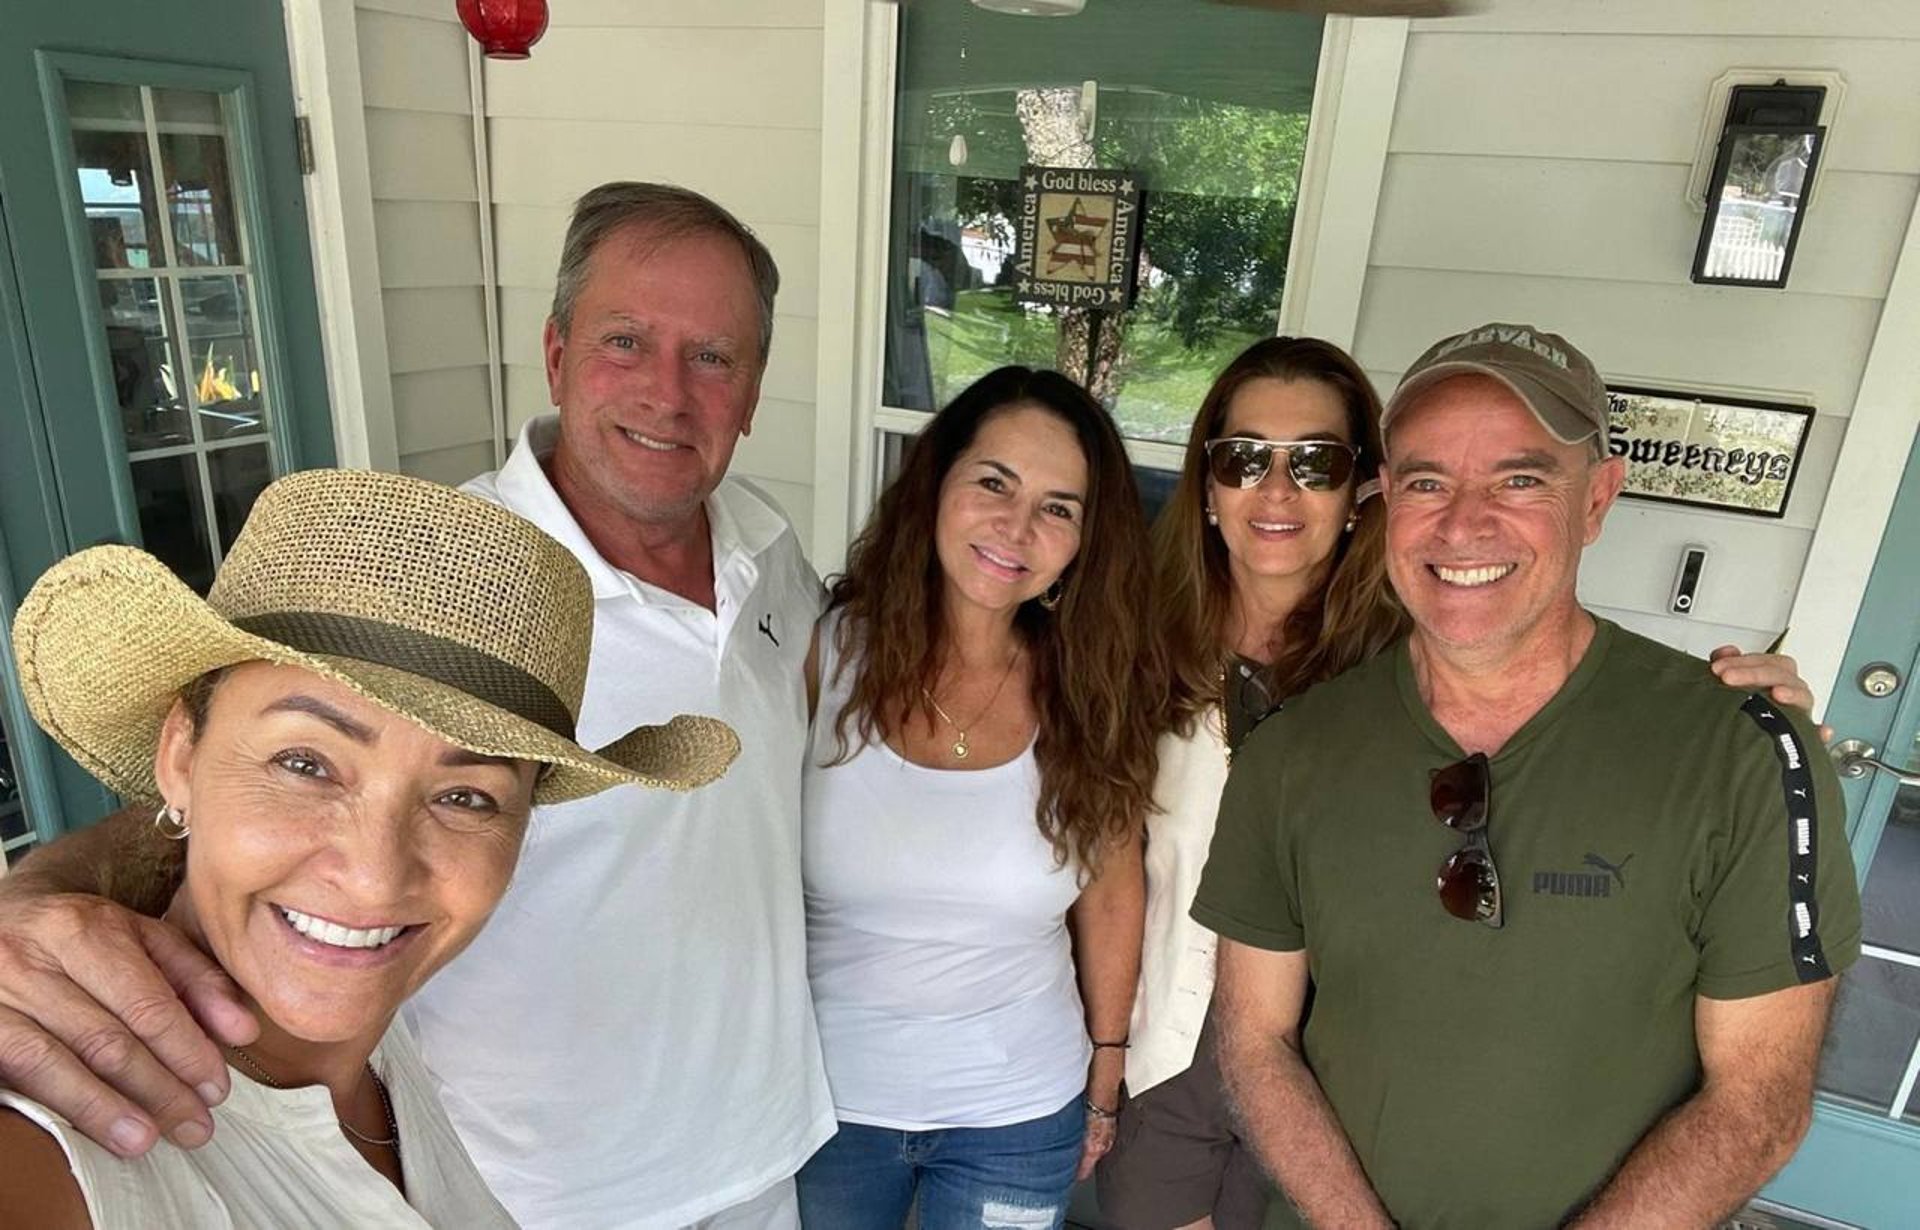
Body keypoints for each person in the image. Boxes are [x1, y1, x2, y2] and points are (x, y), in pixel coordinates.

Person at [0, 182, 832, 1229]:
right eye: (626, 339)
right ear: (559, 354)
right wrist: (37, 901)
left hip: (757, 1141)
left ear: (752, 393)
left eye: (714, 356)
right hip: (540, 1181)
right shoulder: (448, 590)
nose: (669, 391)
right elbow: (230, 788)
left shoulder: (770, 552)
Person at [1093, 335, 1823, 1230]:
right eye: (1432, 481)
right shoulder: (1155, 663)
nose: (1464, 521)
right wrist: (1103, 1055)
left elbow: (1759, 1100)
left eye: (1520, 480)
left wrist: (1762, 737)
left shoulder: (1722, 745)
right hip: (1188, 1053)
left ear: (1597, 498)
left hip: (1327, 1105)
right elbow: (1112, 879)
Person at [0, 468, 738, 1228]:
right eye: (305, 764)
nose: (375, 880)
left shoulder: (377, 1048)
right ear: (180, 759)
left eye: (465, 797)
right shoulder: (57, 1148)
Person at [794, 366, 1159, 1229]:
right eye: (994, 481)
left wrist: (1105, 1074)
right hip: (823, 1108)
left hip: (1018, 1110)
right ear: (937, 485)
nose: (1016, 525)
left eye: (1058, 506)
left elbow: (1111, 893)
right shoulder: (826, 656)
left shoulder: (1092, 689)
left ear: (1083, 542)